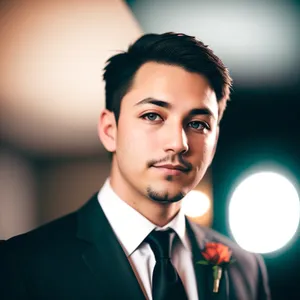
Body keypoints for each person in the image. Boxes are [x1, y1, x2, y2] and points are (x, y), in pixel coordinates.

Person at [0, 32, 271, 300]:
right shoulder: (21, 264)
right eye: (152, 115)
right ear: (109, 130)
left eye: (198, 124)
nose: (178, 143)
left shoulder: (246, 270)